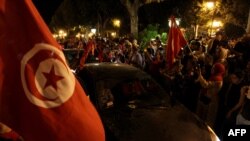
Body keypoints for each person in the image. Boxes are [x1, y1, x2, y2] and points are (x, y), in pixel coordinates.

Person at [196, 62, 225, 128]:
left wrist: (200, 75)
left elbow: (206, 85)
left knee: (206, 121)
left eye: (214, 68)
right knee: (201, 117)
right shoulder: (215, 77)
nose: (212, 69)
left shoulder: (218, 80)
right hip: (206, 99)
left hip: (210, 102)